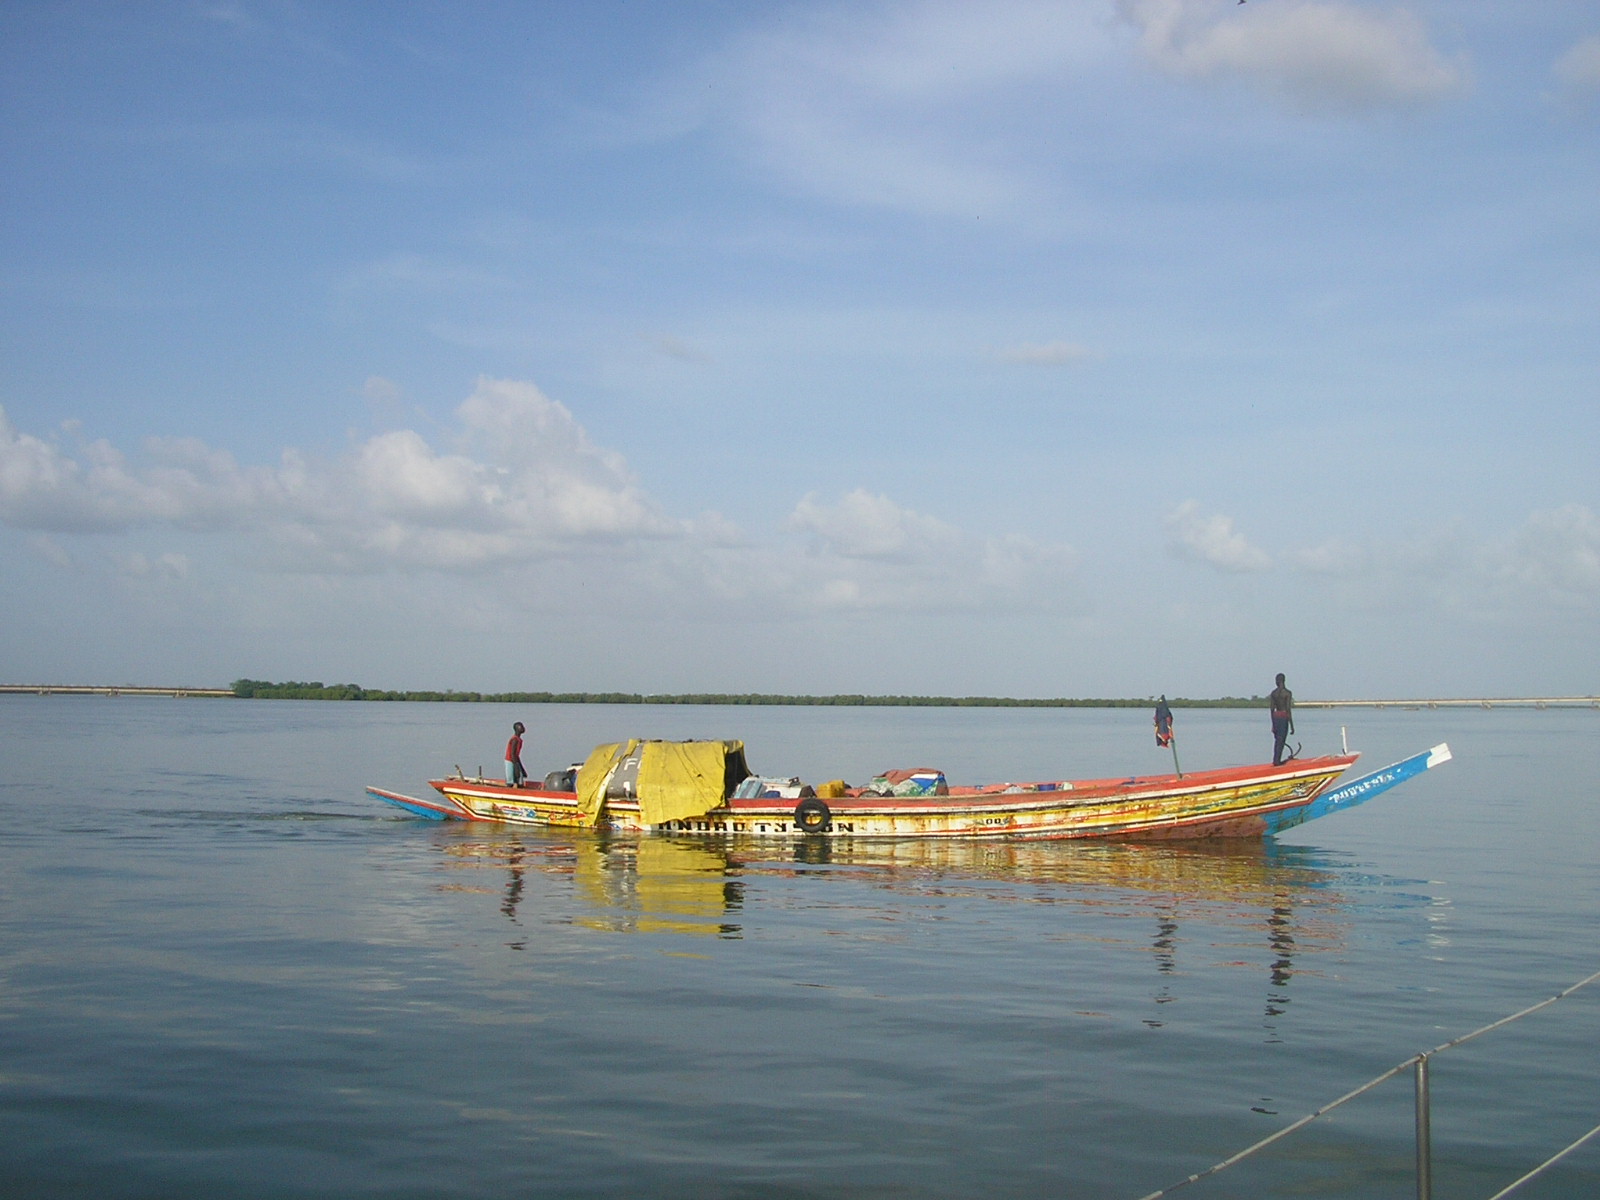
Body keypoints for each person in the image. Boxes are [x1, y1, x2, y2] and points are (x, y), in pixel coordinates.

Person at [1269, 674, 1294, 765]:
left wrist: (1273, 725)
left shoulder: (1273, 693)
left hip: (1276, 717)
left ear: (1278, 681)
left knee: (1277, 740)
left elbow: (1271, 710)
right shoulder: (1287, 693)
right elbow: (1288, 709)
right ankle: (1277, 761)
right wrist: (1292, 726)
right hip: (1283, 717)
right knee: (1281, 740)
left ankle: (1276, 759)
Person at [505, 721, 528, 788]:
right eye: (521, 727)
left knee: (519, 780)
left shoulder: (519, 740)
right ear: (517, 729)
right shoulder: (514, 739)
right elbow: (512, 754)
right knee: (510, 781)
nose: (523, 728)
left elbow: (516, 755)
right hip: (510, 760)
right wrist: (516, 766)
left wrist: (521, 768)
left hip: (515, 760)